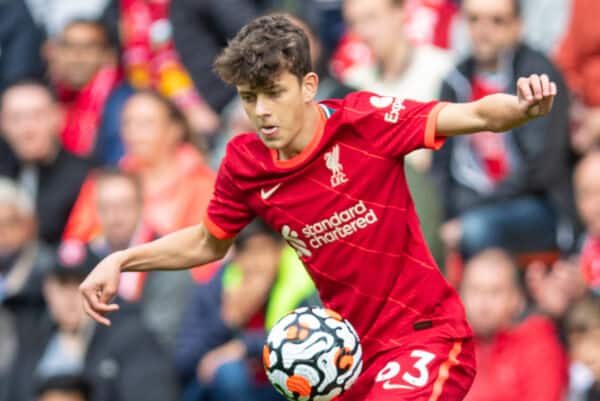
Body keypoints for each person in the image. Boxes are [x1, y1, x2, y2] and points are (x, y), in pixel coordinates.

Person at [80, 14, 560, 401]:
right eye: (250, 98)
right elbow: (208, 241)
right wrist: (122, 258)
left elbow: (472, 114)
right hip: (345, 361)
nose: (262, 111)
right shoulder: (246, 164)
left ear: (309, 85)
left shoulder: (366, 122)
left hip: (424, 337)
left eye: (274, 93)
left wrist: (522, 109)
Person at [432, 0, 573, 258]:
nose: (483, 30)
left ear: (518, 26)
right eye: (474, 19)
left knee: (475, 230)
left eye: (497, 20)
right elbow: (441, 165)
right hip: (470, 205)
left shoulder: (538, 75)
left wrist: (471, 211)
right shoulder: (454, 81)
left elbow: (541, 169)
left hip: (536, 205)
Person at [5, 247, 179, 401]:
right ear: (47, 289)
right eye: (62, 284)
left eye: (81, 284)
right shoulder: (33, 338)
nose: (70, 297)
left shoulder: (131, 337)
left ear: (101, 288)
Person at [176, 219, 314, 401]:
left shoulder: (300, 283)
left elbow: (309, 342)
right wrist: (226, 321)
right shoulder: (217, 286)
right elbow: (184, 359)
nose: (255, 263)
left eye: (263, 251)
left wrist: (244, 346)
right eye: (247, 252)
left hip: (285, 385)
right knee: (228, 374)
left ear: (279, 250)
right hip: (228, 388)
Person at [459, 248, 568, 401]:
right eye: (474, 291)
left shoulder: (538, 346)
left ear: (516, 299)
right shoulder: (448, 347)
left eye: (495, 292)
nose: (483, 302)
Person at [0, 79, 90, 246]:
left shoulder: (85, 177)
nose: (27, 129)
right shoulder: (4, 172)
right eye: (16, 118)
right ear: (2, 124)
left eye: (37, 116)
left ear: (58, 117)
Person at [44, 18, 133, 163]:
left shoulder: (124, 105)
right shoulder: (49, 98)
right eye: (68, 46)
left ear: (108, 55)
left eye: (89, 47)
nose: (76, 56)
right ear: (55, 53)